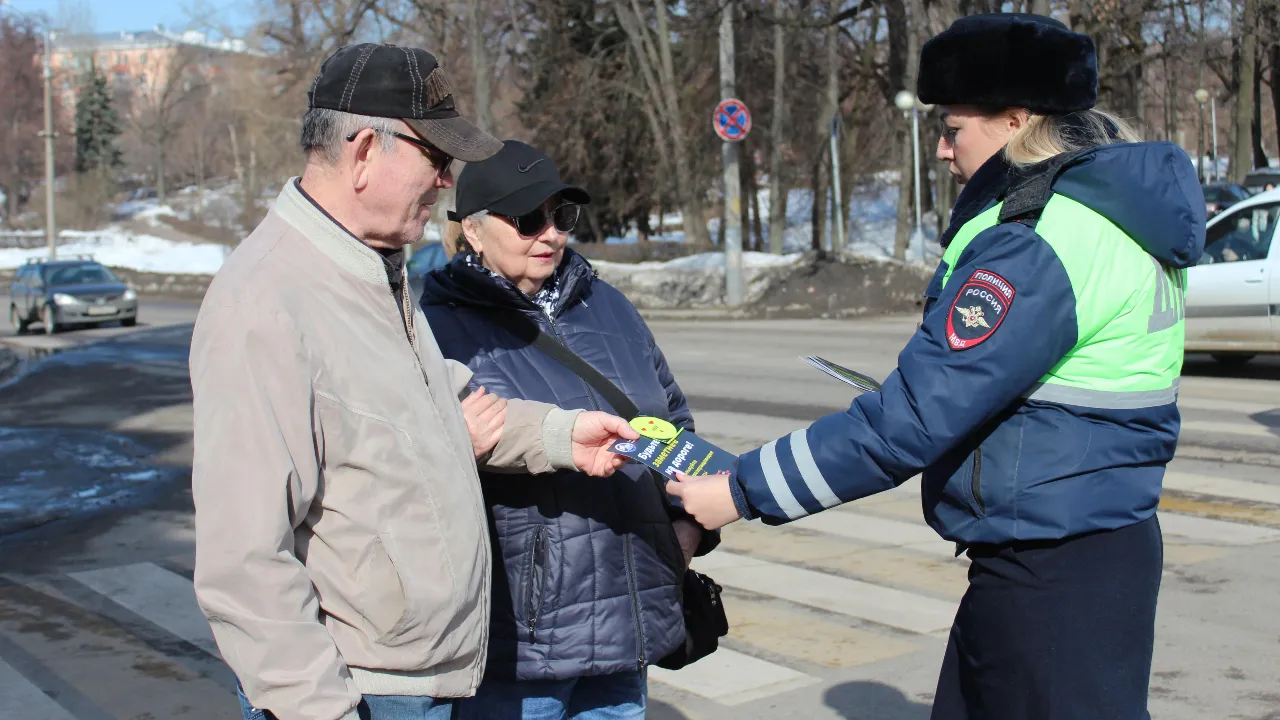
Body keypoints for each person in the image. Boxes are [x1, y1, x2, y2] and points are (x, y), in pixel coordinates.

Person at [668, 13, 1205, 720]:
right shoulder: (1106, 214)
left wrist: (741, 489)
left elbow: (911, 421)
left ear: (1015, 121)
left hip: (1050, 569)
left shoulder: (1040, 239)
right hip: (1078, 544)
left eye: (954, 130)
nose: (944, 152)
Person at [189, 44, 637, 720]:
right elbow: (243, 559)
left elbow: (445, 405)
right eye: (436, 159)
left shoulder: (371, 268)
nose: (446, 183)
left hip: (417, 676)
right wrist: (318, 708)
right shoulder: (267, 299)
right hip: (357, 688)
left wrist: (559, 435)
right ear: (366, 149)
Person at [419, 140, 717, 720]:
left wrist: (687, 528)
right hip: (525, 644)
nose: (551, 234)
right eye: (528, 219)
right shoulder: (436, 329)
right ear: (473, 231)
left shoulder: (609, 306)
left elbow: (673, 423)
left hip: (630, 624)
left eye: (562, 216)